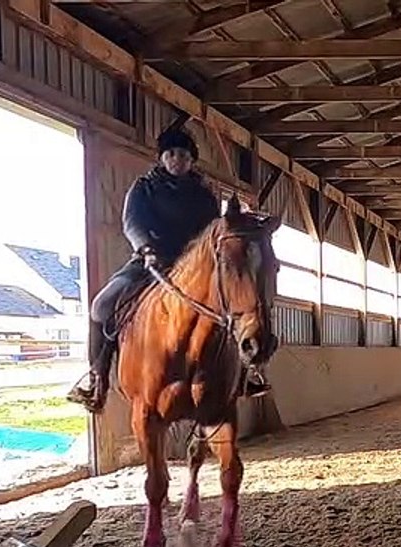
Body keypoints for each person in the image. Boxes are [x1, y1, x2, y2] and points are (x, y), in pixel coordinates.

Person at [66, 127, 271, 412]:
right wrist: (146, 248)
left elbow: (214, 233)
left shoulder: (204, 197)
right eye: (172, 153)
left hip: (195, 268)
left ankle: (246, 375)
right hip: (150, 262)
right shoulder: (143, 188)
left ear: (192, 160)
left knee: (234, 307)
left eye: (185, 155)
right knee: (101, 306)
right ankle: (96, 379)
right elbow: (132, 223)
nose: (178, 159)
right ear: (162, 157)